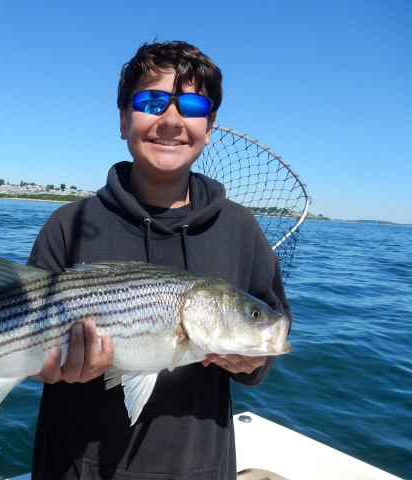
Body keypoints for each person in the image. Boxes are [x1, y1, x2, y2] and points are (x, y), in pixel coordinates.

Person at [26, 40, 291, 480]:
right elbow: (16, 342)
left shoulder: (242, 229)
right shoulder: (67, 224)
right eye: (151, 101)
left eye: (191, 105)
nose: (171, 120)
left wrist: (254, 361)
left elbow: (268, 327)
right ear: (124, 119)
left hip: (200, 468)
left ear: (209, 126)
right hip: (74, 468)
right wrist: (50, 369)